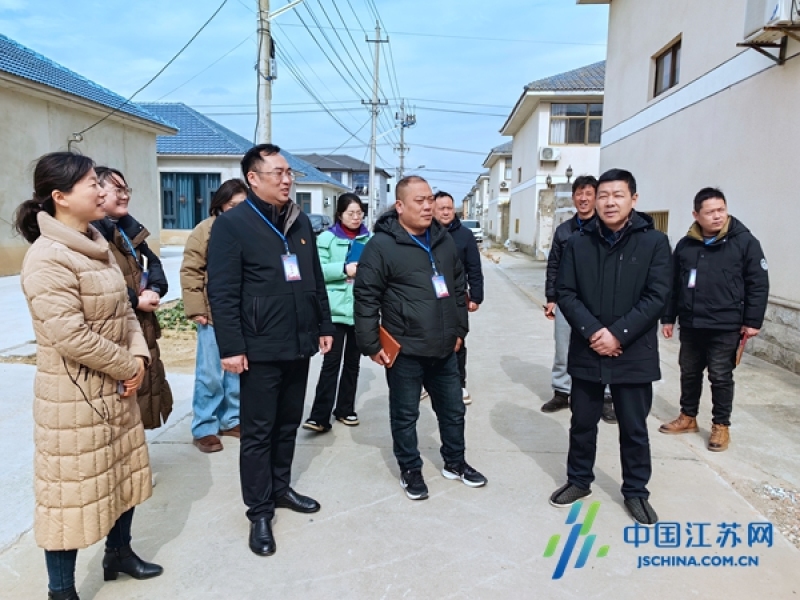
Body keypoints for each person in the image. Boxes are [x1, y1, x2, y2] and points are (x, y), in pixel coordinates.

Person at [15, 152, 163, 600]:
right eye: (92, 184)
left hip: (118, 388)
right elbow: (69, 335)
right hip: (75, 397)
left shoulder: (98, 243)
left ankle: (119, 553)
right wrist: (127, 366)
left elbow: (126, 308)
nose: (103, 191)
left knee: (123, 474)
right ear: (60, 197)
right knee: (69, 494)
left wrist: (138, 356)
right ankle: (61, 590)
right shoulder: (48, 258)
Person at [207, 144, 335, 557]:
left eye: (289, 172)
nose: (287, 179)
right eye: (277, 173)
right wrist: (231, 347)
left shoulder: (299, 221)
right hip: (259, 346)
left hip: (298, 341)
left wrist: (324, 325)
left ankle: (281, 489)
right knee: (258, 432)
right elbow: (222, 291)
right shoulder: (233, 225)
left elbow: (314, 278)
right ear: (253, 178)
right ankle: (259, 511)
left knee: (287, 424)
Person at [354, 175, 487, 501]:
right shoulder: (381, 246)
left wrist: (459, 330)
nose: (428, 206)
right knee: (405, 415)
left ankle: (455, 462)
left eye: (430, 199)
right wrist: (371, 344)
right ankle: (410, 468)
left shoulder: (443, 240)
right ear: (400, 206)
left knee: (453, 410)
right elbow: (366, 296)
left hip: (445, 347)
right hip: (405, 349)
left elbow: (458, 286)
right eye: (420, 201)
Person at [550, 168, 671, 526]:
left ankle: (636, 491)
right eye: (603, 195)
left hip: (633, 351)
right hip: (588, 347)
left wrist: (618, 334)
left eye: (618, 195)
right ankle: (578, 480)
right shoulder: (578, 242)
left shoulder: (655, 243)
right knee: (582, 422)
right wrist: (593, 332)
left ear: (634, 199)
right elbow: (565, 292)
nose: (609, 202)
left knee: (633, 427)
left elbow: (657, 295)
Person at [659, 187, 769, 451]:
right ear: (696, 215)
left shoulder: (745, 242)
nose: (717, 216)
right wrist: (668, 318)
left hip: (726, 324)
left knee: (720, 376)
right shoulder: (686, 245)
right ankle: (688, 416)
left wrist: (752, 321)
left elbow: (758, 284)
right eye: (710, 212)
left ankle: (721, 425)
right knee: (689, 372)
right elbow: (673, 285)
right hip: (692, 323)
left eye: (721, 210)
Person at [92, 167, 173, 430]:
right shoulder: (91, 234)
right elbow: (100, 280)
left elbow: (154, 264)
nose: (125, 196)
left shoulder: (130, 229)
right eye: (118, 190)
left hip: (141, 325)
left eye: (126, 189)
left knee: (141, 399)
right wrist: (136, 301)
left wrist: (155, 289)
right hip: (115, 328)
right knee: (117, 407)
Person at [181, 179, 249, 452]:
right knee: (209, 373)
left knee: (237, 371)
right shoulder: (205, 230)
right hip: (211, 313)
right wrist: (196, 308)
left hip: (241, 313)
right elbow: (191, 270)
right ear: (220, 205)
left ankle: (231, 419)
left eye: (243, 205)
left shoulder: (250, 229)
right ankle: (204, 426)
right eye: (233, 205)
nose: (238, 210)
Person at [542, 176, 616, 424]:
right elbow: (553, 265)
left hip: (598, 301)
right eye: (579, 194)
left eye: (588, 194)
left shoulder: (606, 228)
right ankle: (562, 391)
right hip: (567, 299)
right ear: (573, 197)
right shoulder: (564, 230)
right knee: (563, 347)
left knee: (601, 345)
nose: (583, 199)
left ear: (596, 197)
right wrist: (551, 297)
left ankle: (606, 396)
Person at [303, 193, 371, 432]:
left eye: (359, 213)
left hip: (359, 310)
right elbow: (317, 270)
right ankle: (319, 416)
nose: (355, 217)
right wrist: (344, 269)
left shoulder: (369, 240)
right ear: (340, 214)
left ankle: (345, 409)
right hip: (334, 311)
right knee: (331, 363)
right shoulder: (326, 239)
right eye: (350, 213)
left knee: (353, 363)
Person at [432, 191, 484, 404]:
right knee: (430, 340)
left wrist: (476, 297)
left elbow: (474, 267)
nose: (446, 212)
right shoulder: (426, 233)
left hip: (457, 297)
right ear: (433, 210)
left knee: (458, 340)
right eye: (441, 208)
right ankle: (429, 383)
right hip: (430, 298)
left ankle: (459, 384)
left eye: (449, 208)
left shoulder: (465, 235)